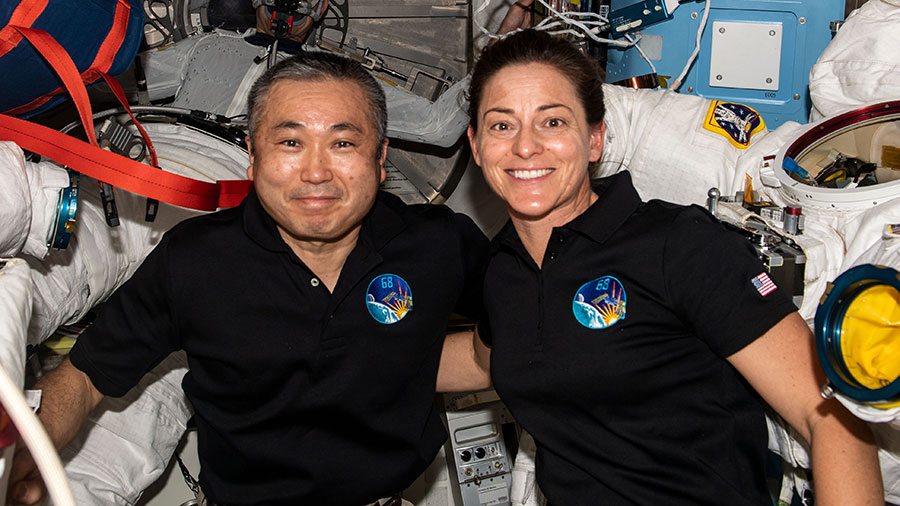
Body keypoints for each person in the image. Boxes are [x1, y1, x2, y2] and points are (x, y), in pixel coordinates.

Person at [9, 51, 491, 506]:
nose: (317, 172)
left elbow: (514, 328)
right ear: (253, 154)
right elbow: (89, 374)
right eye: (290, 143)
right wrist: (21, 456)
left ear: (380, 157)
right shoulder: (196, 260)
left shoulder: (437, 244)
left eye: (343, 143)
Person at [466, 29, 884, 506]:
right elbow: (483, 359)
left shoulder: (677, 244)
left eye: (553, 122)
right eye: (502, 125)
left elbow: (829, 417)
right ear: (476, 146)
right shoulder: (504, 269)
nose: (525, 147)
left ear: (596, 139)